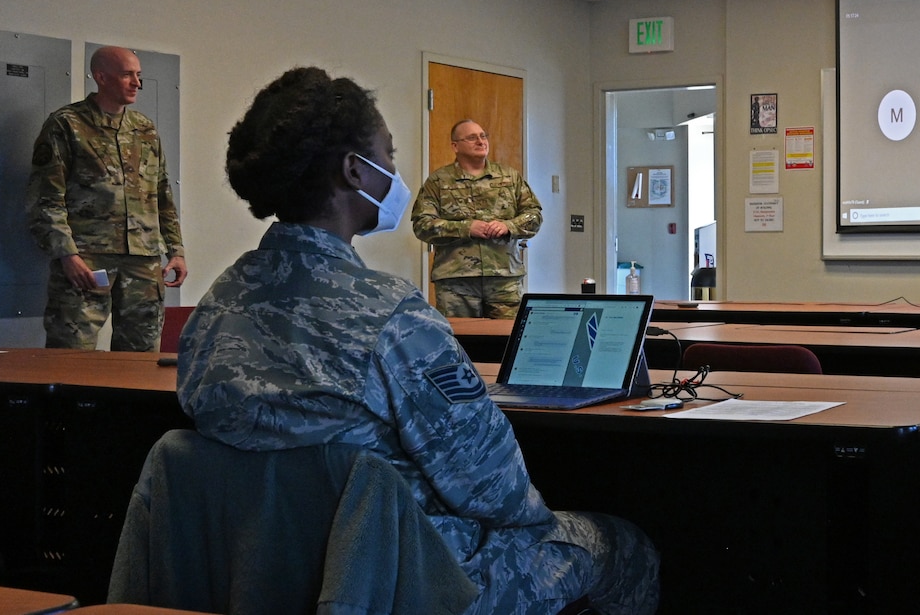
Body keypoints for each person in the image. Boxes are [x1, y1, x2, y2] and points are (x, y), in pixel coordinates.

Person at [176, 67, 657, 614]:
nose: (395, 170)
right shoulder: (394, 318)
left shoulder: (218, 305)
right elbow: (495, 492)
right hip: (413, 575)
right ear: (355, 171)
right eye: (388, 152)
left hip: (257, 573)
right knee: (622, 543)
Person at [25, 45, 186, 350]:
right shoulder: (66, 125)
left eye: (138, 75)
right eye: (127, 75)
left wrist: (176, 250)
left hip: (142, 261)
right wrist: (66, 254)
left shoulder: (145, 129)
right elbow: (45, 198)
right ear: (101, 77)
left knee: (141, 357)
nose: (137, 83)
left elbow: (162, 194)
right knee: (71, 351)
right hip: (86, 259)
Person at [413, 118, 542, 318]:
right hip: (456, 281)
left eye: (483, 136)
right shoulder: (438, 181)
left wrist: (508, 226)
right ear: (455, 146)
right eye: (472, 138)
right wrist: (466, 228)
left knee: (507, 341)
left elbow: (534, 215)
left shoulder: (509, 177)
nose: (481, 142)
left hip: (504, 279)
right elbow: (422, 225)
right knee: (462, 342)